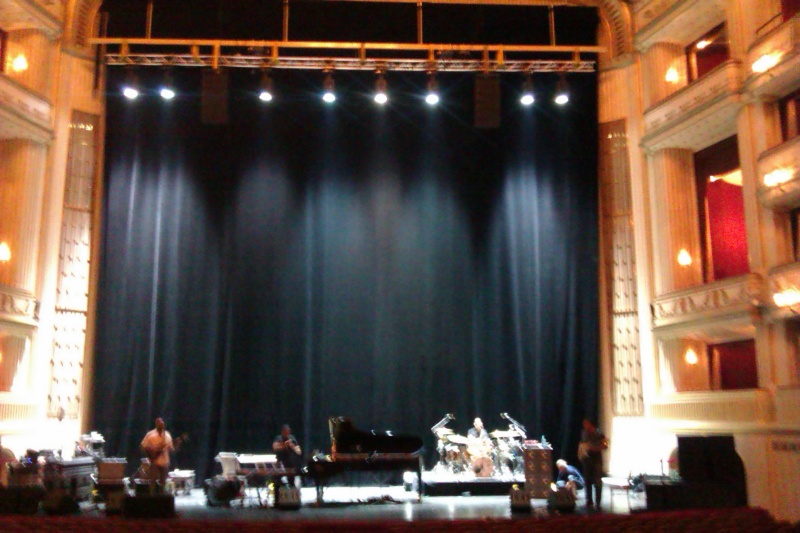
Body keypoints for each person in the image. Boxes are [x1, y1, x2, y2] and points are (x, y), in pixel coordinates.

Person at [579, 419, 607, 508]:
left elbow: (605, 445)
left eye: (587, 424)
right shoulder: (584, 432)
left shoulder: (599, 432)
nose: (585, 426)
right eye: (584, 424)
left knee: (597, 481)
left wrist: (595, 448)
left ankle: (598, 502)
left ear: (591, 424)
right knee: (587, 480)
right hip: (586, 460)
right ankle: (589, 500)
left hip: (596, 460)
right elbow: (582, 443)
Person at [140, 417, 174, 492]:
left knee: (163, 482)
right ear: (156, 424)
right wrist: (151, 452)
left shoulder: (167, 435)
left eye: (162, 424)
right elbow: (142, 447)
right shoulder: (150, 434)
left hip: (165, 462)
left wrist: (175, 445)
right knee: (152, 481)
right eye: (159, 423)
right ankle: (152, 497)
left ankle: (161, 497)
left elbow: (171, 449)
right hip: (154, 462)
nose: (161, 425)